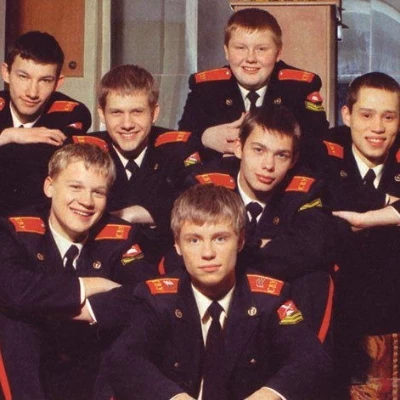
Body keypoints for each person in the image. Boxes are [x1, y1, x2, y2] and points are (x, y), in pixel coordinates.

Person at [107, 184, 332, 400]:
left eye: (220, 239)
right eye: (194, 240)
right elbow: (123, 357)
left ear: (241, 241)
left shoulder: (269, 299)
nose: (208, 253)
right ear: (177, 245)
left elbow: (311, 358)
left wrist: (267, 395)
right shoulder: (157, 300)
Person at [0, 143, 156, 400]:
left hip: (90, 368)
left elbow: (148, 295)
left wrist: (89, 310)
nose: (86, 201)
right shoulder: (14, 230)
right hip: (30, 371)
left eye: (98, 192)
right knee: (14, 322)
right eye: (75, 187)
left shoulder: (120, 236)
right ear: (49, 186)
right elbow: (12, 288)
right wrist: (90, 286)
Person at [180, 107, 336, 339]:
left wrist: (238, 248)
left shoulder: (306, 189)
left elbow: (312, 247)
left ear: (293, 160)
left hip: (271, 306)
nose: (268, 165)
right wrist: (263, 244)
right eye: (258, 150)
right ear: (239, 148)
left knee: (315, 279)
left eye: (281, 155)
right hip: (217, 296)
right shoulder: (206, 183)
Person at [320, 72, 400, 398]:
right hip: (334, 321)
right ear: (347, 115)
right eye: (366, 115)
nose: (377, 127)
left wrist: (366, 218)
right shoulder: (321, 154)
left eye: (388, 117)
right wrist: (388, 207)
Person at [178, 8, 328, 166]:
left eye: (261, 49)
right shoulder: (206, 89)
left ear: (278, 53)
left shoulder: (299, 88)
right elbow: (180, 144)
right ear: (226, 51)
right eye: (240, 48)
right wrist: (205, 137)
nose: (250, 58)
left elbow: (318, 147)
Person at [89, 64, 202, 259]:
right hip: (103, 261)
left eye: (137, 112)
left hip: (167, 261)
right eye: (116, 113)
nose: (127, 124)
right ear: (102, 114)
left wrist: (136, 213)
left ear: (154, 113)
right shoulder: (87, 151)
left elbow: (200, 202)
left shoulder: (178, 148)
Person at [0, 31, 91, 215]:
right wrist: (8, 135)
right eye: (23, 77)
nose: (32, 92)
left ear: (58, 82)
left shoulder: (70, 113)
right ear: (6, 73)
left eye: (45, 80)